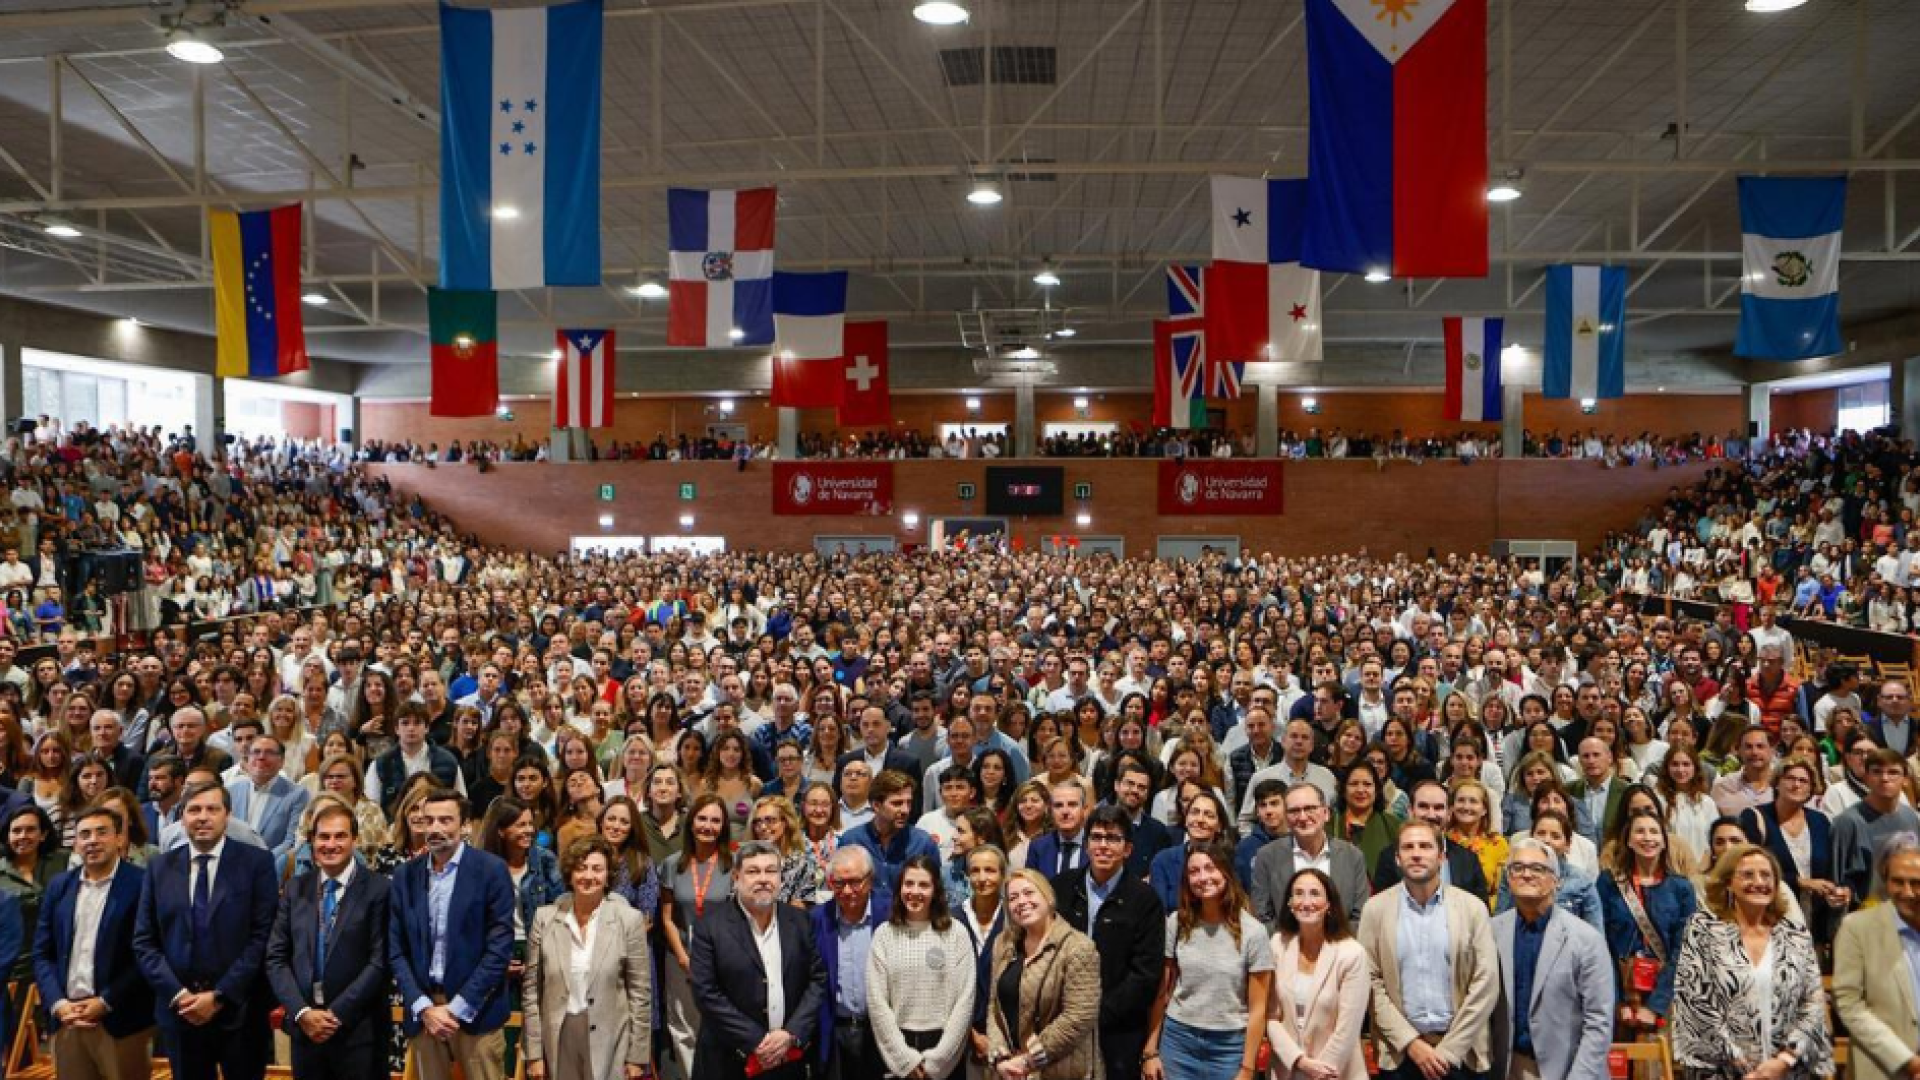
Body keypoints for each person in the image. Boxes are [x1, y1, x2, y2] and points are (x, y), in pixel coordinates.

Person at [131, 779, 280, 1080]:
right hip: (179, 1012)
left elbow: (262, 937)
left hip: (240, 1010)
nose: (202, 817)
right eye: (194, 809)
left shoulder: (257, 863)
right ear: (182, 816)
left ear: (228, 815)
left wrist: (220, 995)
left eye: (212, 809)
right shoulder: (160, 867)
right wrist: (178, 995)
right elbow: (145, 941)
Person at [1671, 844, 1832, 1080]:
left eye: (1766, 875)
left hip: (1787, 1071)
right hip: (1721, 1071)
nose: (1759, 882)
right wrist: (1746, 1067)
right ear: (1728, 883)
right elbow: (1694, 1001)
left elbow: (1813, 1003)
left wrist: (1784, 1060)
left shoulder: (1795, 934)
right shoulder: (1702, 929)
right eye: (1747, 875)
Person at [387, 787, 517, 1080]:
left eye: (445, 820)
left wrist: (456, 1009)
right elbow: (396, 950)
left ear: (466, 825)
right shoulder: (405, 875)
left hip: (477, 1011)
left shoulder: (491, 870)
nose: (435, 828)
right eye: (428, 820)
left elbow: (498, 950)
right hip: (425, 1013)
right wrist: (423, 1007)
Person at [1356, 820, 1499, 1080]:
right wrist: (1410, 1043)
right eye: (1408, 847)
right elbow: (1370, 982)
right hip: (1401, 1054)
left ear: (1442, 856)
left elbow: (1486, 983)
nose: (1417, 853)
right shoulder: (1375, 909)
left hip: (1463, 1056)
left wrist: (1449, 1050)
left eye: (1425, 846)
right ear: (1397, 859)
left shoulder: (1472, 908)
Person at [264, 798, 392, 1080]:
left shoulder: (378, 889)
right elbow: (276, 957)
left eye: (340, 836)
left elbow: (379, 961)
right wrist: (301, 1012)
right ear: (311, 841)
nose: (330, 844)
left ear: (355, 840)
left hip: (357, 1029)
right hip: (304, 1029)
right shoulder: (296, 888)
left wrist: (336, 1014)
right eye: (323, 836)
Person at [689, 840, 827, 1080]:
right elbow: (705, 992)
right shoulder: (710, 926)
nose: (763, 879)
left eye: (771, 871)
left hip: (787, 1060)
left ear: (780, 878)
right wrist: (757, 1040)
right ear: (736, 876)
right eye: (753, 871)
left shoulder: (800, 922)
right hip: (728, 1062)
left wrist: (791, 1033)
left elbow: (817, 980)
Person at [32, 804, 150, 1080]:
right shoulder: (59, 886)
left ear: (120, 839)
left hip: (119, 1020)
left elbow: (146, 954)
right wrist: (58, 1003)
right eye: (84, 834)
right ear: (75, 843)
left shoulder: (142, 884)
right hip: (67, 1020)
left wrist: (106, 1001)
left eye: (101, 832)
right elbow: (42, 953)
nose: (92, 840)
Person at [522, 836, 652, 1080]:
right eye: (580, 868)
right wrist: (534, 1053)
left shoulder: (629, 920)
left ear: (608, 875)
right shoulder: (545, 918)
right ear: (569, 874)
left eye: (597, 869)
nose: (588, 876)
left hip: (611, 1036)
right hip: (559, 1036)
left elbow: (640, 994)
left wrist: (637, 1056)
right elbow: (531, 991)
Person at [1142, 841, 1273, 1080]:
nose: (1203, 877)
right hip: (1178, 1039)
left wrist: (1247, 1067)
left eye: (1210, 868)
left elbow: (1258, 1008)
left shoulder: (1254, 932)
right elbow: (1163, 991)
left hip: (1229, 1045)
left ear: (1226, 872)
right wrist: (1150, 1052)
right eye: (1194, 871)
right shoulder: (1176, 923)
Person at [1053, 805, 1165, 1080]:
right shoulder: (1061, 887)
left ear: (1127, 849)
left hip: (1119, 1032)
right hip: (1061, 1023)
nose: (1103, 845)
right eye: (1096, 837)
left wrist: (1094, 1014)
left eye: (1113, 839)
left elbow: (1145, 973)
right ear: (1086, 844)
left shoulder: (1145, 899)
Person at [1490, 838, 1614, 1080]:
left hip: (1568, 1070)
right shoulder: (1491, 931)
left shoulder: (1586, 939)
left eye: (1537, 868)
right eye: (1518, 868)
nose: (1526, 874)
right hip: (1507, 1067)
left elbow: (1598, 1021)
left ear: (1556, 881)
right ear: (1508, 878)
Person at [866, 854, 976, 1080]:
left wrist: (938, 1061)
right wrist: (904, 1061)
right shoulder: (884, 935)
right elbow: (877, 1003)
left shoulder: (956, 933)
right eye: (909, 883)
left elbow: (965, 1000)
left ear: (936, 890)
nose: (915, 891)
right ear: (899, 888)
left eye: (924, 885)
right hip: (897, 1047)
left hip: (945, 1047)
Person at [985, 869, 1100, 1080]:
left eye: (1029, 893)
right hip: (1009, 1072)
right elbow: (994, 1006)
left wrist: (1028, 1061)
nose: (1021, 901)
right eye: (1013, 897)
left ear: (1048, 897)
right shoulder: (1003, 943)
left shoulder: (1078, 947)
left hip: (1060, 1071)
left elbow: (1079, 1017)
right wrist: (1000, 1060)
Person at [1596, 808, 1696, 1033]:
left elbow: (1684, 950)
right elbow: (1601, 944)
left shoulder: (1681, 888)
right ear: (1629, 840)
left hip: (1666, 990)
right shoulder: (1608, 883)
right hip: (1621, 986)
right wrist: (1617, 1000)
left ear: (1663, 841)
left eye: (1654, 832)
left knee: (1658, 1066)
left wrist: (1656, 1005)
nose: (1647, 838)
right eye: (1640, 831)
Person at [1265, 866, 1369, 1080]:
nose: (1306, 902)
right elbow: (1270, 1016)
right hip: (1287, 1069)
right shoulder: (1277, 945)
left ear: (1329, 904)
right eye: (1298, 893)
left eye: (1315, 894)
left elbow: (1348, 1028)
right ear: (1289, 903)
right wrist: (1299, 1061)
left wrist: (1319, 1071)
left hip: (1335, 1072)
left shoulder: (1352, 953)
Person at [1831, 832, 1920, 1080]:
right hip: (1883, 1069)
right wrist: (1908, 1062)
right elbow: (1848, 1003)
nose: (1908, 892)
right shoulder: (1857, 928)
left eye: (1916, 883)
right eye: (1898, 882)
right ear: (1885, 880)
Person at [811, 845, 889, 1080]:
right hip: (834, 1033)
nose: (847, 891)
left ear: (870, 880)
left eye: (855, 882)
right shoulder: (817, 919)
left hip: (881, 1034)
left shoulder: (890, 914)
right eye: (838, 883)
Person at [1251, 781, 1371, 930]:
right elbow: (1263, 916)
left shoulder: (1352, 856)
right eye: (1294, 811)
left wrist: (1337, 946)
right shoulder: (1266, 856)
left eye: (1310, 808)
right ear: (1287, 818)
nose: (1302, 817)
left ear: (1326, 813)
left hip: (1341, 948)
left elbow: (1360, 916)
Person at [1371, 779, 1490, 903]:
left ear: (1449, 813)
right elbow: (1382, 909)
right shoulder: (1389, 857)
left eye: (1438, 808)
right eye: (1423, 806)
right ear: (1410, 811)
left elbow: (1481, 912)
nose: (1431, 815)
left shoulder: (1468, 860)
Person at [1832, 747, 1920, 902]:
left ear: (1905, 779)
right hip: (1865, 916)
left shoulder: (1910, 816)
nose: (1885, 778)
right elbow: (1836, 880)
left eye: (1893, 772)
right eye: (1877, 772)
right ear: (1866, 777)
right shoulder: (1847, 822)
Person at [841, 769, 940, 897]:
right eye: (897, 803)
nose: (905, 810)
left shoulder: (923, 843)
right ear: (876, 805)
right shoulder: (851, 841)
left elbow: (936, 891)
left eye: (908, 803)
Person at [226, 733, 312, 864]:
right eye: (256, 752)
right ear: (247, 759)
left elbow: (291, 841)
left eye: (269, 752)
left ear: (281, 761)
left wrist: (261, 862)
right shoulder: (231, 791)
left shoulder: (297, 794)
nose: (261, 757)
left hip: (271, 867)